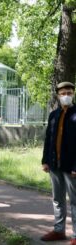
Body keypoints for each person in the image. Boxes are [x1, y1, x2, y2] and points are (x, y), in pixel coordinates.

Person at [40, 81, 76, 244]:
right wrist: (45, 161)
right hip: (54, 164)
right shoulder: (53, 115)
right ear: (58, 96)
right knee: (57, 199)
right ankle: (59, 230)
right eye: (63, 94)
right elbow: (48, 139)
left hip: (71, 166)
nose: (66, 96)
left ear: (73, 94)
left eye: (69, 93)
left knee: (74, 201)